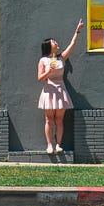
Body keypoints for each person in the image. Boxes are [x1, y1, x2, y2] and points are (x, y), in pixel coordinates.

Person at [38, 19, 84, 154]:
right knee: (49, 119)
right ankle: (49, 145)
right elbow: (40, 78)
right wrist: (48, 71)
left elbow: (72, 44)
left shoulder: (61, 58)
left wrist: (78, 31)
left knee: (59, 119)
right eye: (53, 42)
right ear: (48, 46)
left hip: (60, 90)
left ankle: (58, 145)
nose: (56, 43)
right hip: (49, 90)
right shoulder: (43, 60)